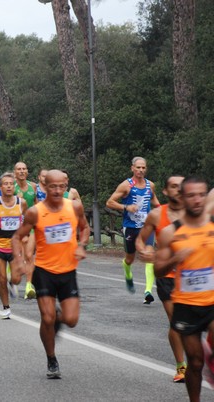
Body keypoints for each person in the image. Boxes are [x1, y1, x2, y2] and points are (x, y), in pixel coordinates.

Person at [12, 170, 90, 379]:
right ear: (44, 187)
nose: (56, 190)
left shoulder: (74, 207)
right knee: (47, 318)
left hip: (68, 271)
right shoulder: (35, 212)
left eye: (61, 186)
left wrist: (82, 245)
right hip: (44, 270)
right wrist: (19, 261)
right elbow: (17, 237)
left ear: (66, 186)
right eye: (52, 186)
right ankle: (51, 358)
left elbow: (84, 228)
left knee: (71, 320)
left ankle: (58, 317)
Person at [155, 177, 214, 402]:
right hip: (186, 304)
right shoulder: (171, 232)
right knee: (195, 363)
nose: (197, 199)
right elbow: (159, 270)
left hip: (212, 301)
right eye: (191, 195)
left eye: (201, 194)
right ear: (182, 197)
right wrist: (175, 259)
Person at [136, 175, 187, 382]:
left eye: (182, 187)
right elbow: (141, 240)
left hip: (195, 275)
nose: (178, 190)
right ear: (165, 191)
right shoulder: (157, 215)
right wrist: (145, 250)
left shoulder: (199, 214)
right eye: (173, 187)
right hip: (167, 275)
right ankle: (181, 366)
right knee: (177, 323)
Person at [106, 157, 161, 303]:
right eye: (138, 167)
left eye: (143, 168)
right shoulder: (126, 186)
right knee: (130, 258)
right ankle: (128, 273)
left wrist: (164, 214)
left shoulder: (150, 185)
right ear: (132, 168)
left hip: (146, 227)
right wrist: (126, 207)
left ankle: (148, 291)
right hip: (130, 227)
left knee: (149, 255)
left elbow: (155, 202)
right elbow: (110, 202)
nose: (141, 170)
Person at [0, 172, 27, 319]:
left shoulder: (21, 203)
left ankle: (12, 283)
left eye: (10, 184)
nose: (8, 186)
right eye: (5, 184)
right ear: (0, 187)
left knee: (16, 278)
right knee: (1, 278)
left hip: (15, 247)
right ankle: (6, 308)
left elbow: (27, 221)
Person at [14, 161, 38, 299]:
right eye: (19, 169)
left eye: (24, 169)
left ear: (27, 171)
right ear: (15, 172)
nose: (22, 171)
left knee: (29, 255)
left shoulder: (32, 186)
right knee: (19, 257)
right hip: (16, 226)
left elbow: (36, 205)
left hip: (31, 226)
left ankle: (29, 286)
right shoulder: (11, 187)